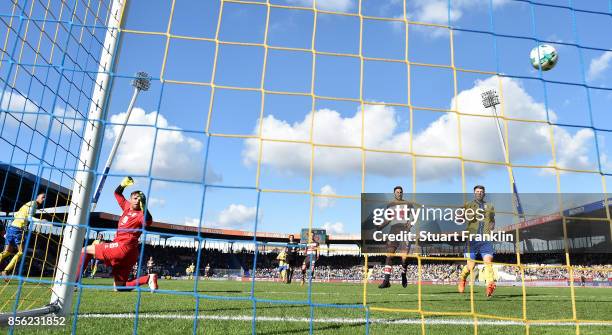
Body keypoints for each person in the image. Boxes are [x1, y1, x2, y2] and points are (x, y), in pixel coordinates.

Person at [75, 177, 157, 291]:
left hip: (122, 247)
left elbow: (148, 221)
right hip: (130, 253)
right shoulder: (127, 206)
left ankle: (73, 284)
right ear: (130, 199)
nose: (138, 200)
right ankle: (148, 279)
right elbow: (117, 193)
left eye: (140, 199)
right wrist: (123, 185)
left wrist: (145, 207)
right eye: (135, 198)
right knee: (119, 287)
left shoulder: (141, 214)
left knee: (85, 250)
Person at [457, 185, 496, 297]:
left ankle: (490, 285)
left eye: (481, 191)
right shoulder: (468, 205)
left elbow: (493, 221)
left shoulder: (490, 206)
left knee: (488, 262)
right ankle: (462, 278)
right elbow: (459, 219)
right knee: (471, 267)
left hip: (485, 239)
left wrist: (492, 226)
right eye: (477, 191)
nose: (479, 193)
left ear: (484, 193)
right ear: (474, 193)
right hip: (472, 240)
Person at [0, 192, 46, 279]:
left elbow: (16, 214)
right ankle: (5, 271)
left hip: (11, 228)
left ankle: (5, 271)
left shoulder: (26, 205)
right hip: (18, 230)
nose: (44, 199)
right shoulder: (33, 204)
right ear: (37, 197)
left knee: (7, 252)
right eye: (43, 197)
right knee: (21, 252)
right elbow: (29, 218)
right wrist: (40, 221)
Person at [376, 186, 414, 289]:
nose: (399, 193)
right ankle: (386, 281)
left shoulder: (408, 204)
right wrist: (380, 226)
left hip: (404, 230)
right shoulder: (390, 205)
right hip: (394, 230)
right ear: (394, 193)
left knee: (404, 258)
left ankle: (403, 274)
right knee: (389, 255)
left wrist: (409, 225)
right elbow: (388, 218)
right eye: (397, 192)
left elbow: (413, 218)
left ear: (403, 193)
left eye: (401, 192)